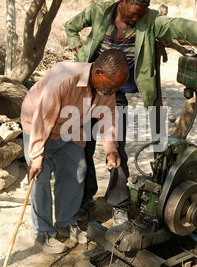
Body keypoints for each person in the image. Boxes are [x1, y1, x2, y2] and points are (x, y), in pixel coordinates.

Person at [65, 0, 197, 226]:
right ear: (122, 2)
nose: (133, 20)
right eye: (130, 14)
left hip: (114, 92)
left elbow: (173, 25)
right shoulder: (98, 12)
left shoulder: (149, 20)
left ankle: (119, 203)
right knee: (83, 146)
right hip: (89, 87)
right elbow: (71, 26)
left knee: (115, 148)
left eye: (138, 16)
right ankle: (84, 200)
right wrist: (78, 49)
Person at [21, 49, 129, 253]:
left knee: (77, 172)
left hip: (69, 129)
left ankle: (65, 222)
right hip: (38, 126)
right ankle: (42, 233)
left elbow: (108, 116)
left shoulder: (106, 88)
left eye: (118, 86)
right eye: (113, 84)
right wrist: (36, 157)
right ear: (97, 73)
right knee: (40, 179)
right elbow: (43, 119)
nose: (115, 89)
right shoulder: (63, 79)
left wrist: (111, 148)